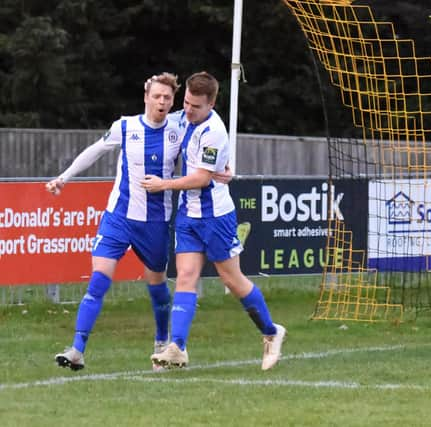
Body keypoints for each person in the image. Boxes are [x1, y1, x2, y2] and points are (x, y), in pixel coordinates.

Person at [142, 71, 286, 371]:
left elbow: (201, 178)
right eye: (186, 102)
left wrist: (163, 184)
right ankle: (177, 347)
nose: (188, 110)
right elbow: (155, 119)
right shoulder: (182, 117)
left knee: (232, 280)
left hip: (215, 217)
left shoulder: (215, 133)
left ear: (212, 103)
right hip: (188, 215)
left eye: (196, 106)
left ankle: (271, 332)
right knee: (185, 276)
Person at [47, 72, 185, 371]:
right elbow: (95, 150)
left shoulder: (180, 127)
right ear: (146, 96)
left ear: (172, 102)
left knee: (157, 285)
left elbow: (203, 136)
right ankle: (77, 349)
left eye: (167, 98)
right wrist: (64, 178)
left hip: (156, 223)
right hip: (119, 217)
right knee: (99, 279)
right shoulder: (125, 126)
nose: (162, 101)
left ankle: (162, 343)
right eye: (157, 96)